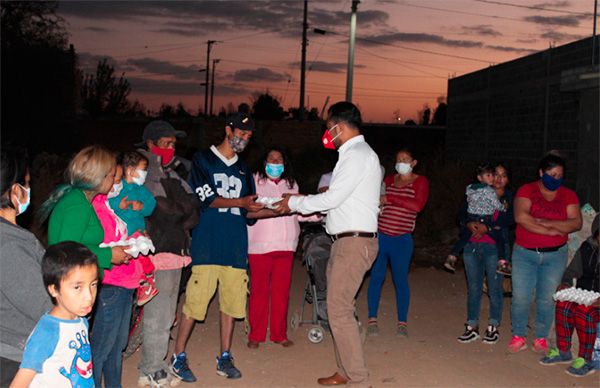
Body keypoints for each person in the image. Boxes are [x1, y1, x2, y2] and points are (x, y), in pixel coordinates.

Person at [278, 101, 381, 386]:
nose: (327, 134)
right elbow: (339, 202)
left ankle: (359, 379)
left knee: (337, 309)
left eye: (328, 128)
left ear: (339, 126)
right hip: (344, 241)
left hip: (353, 243)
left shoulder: (357, 155)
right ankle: (345, 371)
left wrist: (294, 202)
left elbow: (332, 198)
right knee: (339, 308)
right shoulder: (354, 154)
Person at [170, 112, 263, 382]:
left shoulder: (245, 169)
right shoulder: (203, 159)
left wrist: (280, 208)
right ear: (227, 130)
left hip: (235, 246)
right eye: (240, 133)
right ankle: (179, 355)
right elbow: (206, 199)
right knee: (195, 304)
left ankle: (225, 355)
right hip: (208, 244)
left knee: (231, 304)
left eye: (248, 136)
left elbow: (249, 209)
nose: (243, 139)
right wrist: (242, 203)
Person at [135, 120, 199, 387]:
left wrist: (176, 208)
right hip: (156, 253)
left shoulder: (173, 173)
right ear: (150, 145)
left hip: (177, 251)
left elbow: (193, 211)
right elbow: (165, 212)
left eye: (174, 144)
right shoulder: (143, 175)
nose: (172, 148)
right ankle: (151, 368)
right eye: (166, 143)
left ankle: (154, 363)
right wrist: (177, 208)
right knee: (157, 314)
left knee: (166, 314)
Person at [509, 153, 582, 354]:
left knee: (547, 297)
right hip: (525, 253)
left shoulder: (568, 195)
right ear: (541, 173)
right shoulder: (527, 190)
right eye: (551, 174)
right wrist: (555, 229)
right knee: (521, 296)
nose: (555, 178)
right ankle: (518, 334)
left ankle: (540, 337)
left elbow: (576, 222)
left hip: (555, 256)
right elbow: (521, 217)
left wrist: (546, 223)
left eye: (559, 175)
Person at [247, 147, 319, 349]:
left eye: (279, 160)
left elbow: (297, 210)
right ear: (264, 161)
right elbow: (250, 209)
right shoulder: (253, 181)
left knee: (281, 292)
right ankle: (256, 335)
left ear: (284, 164)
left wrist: (318, 213)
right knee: (259, 291)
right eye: (271, 158)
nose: (276, 162)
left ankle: (279, 334)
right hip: (259, 245)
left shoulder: (291, 184)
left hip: (286, 246)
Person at [10, 241, 99, 388]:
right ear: (54, 290)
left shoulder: (81, 321)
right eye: (77, 287)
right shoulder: (48, 332)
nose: (89, 296)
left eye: (93, 285)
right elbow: (19, 383)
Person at [0, 147, 53, 387]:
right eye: (27, 183)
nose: (29, 190)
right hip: (14, 355)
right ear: (14, 190)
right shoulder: (9, 245)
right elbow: (42, 305)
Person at [366, 148, 429, 338]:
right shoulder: (388, 180)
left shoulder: (421, 182)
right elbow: (375, 200)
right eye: (398, 159)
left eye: (405, 159)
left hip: (402, 239)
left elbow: (417, 206)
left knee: (400, 280)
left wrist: (390, 198)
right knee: (376, 277)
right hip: (382, 236)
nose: (401, 161)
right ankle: (372, 319)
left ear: (414, 162)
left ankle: (402, 322)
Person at [90, 162, 143, 388]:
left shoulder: (106, 205)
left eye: (119, 178)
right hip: (111, 282)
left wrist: (137, 238)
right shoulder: (94, 207)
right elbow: (97, 246)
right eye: (115, 178)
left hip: (125, 281)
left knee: (117, 346)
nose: (118, 184)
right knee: (102, 347)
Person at [38, 145, 130, 274]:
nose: (114, 181)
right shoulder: (77, 205)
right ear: (101, 177)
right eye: (112, 176)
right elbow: (67, 250)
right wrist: (108, 255)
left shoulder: (79, 199)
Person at [456, 162, 514, 344]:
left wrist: (487, 227)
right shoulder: (476, 193)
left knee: (495, 288)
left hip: (494, 249)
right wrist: (467, 224)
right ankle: (472, 326)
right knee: (473, 288)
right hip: (472, 245)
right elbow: (461, 214)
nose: (498, 179)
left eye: (503, 175)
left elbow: (509, 220)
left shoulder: (508, 199)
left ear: (507, 180)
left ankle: (493, 326)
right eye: (494, 174)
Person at [539, 214, 599, 377]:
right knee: (563, 304)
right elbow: (571, 272)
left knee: (583, 312)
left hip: (594, 306)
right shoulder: (587, 248)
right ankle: (563, 351)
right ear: (596, 233)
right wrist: (565, 283)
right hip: (585, 297)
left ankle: (586, 360)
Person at [109, 151, 158, 305]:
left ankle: (145, 284)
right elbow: (106, 204)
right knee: (134, 264)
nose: (145, 174)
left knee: (143, 259)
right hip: (123, 235)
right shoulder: (118, 187)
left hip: (138, 232)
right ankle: (143, 284)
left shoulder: (141, 190)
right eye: (143, 169)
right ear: (130, 170)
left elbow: (152, 204)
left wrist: (142, 206)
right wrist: (119, 205)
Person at [444, 163, 507, 275]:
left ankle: (452, 256)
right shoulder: (489, 191)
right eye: (489, 175)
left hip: (473, 217)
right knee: (499, 239)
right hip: (484, 219)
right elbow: (496, 205)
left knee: (464, 238)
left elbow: (468, 203)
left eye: (492, 175)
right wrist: (503, 207)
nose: (493, 178)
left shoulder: (470, 189)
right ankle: (502, 263)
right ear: (480, 178)